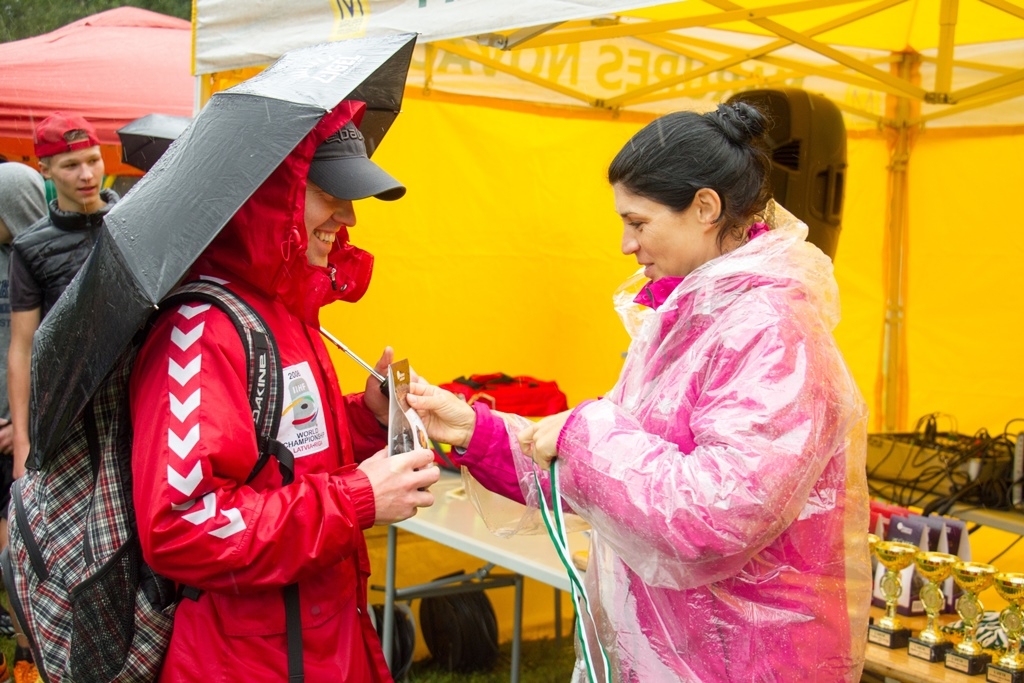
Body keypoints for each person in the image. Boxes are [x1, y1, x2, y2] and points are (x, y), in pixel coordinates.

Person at [407, 103, 871, 682]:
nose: (626, 244)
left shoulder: (773, 331)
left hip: (750, 659)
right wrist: (476, 430)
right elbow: (615, 482)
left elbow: (714, 515)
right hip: (673, 649)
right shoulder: (686, 320)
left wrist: (585, 432)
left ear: (705, 208)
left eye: (639, 221)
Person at [130, 100, 439, 681]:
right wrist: (358, 499)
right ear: (268, 196)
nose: (348, 217)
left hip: (321, 637)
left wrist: (369, 418)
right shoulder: (199, 333)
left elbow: (282, 452)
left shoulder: (288, 308)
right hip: (248, 659)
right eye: (328, 193)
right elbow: (183, 526)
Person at [8, 112, 118, 480]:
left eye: (93, 160)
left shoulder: (132, 221)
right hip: (67, 410)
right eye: (71, 165)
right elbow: (23, 346)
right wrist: (23, 438)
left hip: (137, 397)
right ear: (45, 169)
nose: (87, 175)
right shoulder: (30, 248)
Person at [0, 162, 47, 683]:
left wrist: (23, 425)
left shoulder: (39, 262)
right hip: (15, 435)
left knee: (25, 556)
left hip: (32, 439)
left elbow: (34, 350)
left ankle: (32, 657)